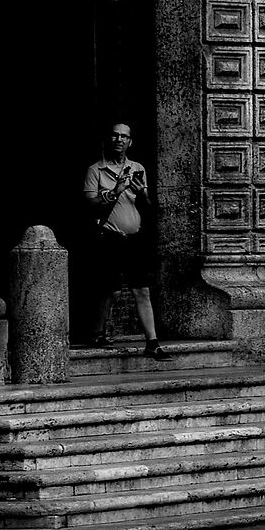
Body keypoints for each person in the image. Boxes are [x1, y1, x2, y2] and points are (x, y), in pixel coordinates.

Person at [82, 122, 164, 358]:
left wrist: (142, 193)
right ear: (108, 139)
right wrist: (116, 190)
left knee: (142, 290)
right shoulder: (95, 170)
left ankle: (152, 342)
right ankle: (97, 331)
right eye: (115, 135)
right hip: (109, 237)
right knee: (110, 290)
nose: (119, 140)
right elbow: (90, 206)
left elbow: (148, 208)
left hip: (135, 239)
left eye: (124, 136)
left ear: (130, 142)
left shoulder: (137, 167)